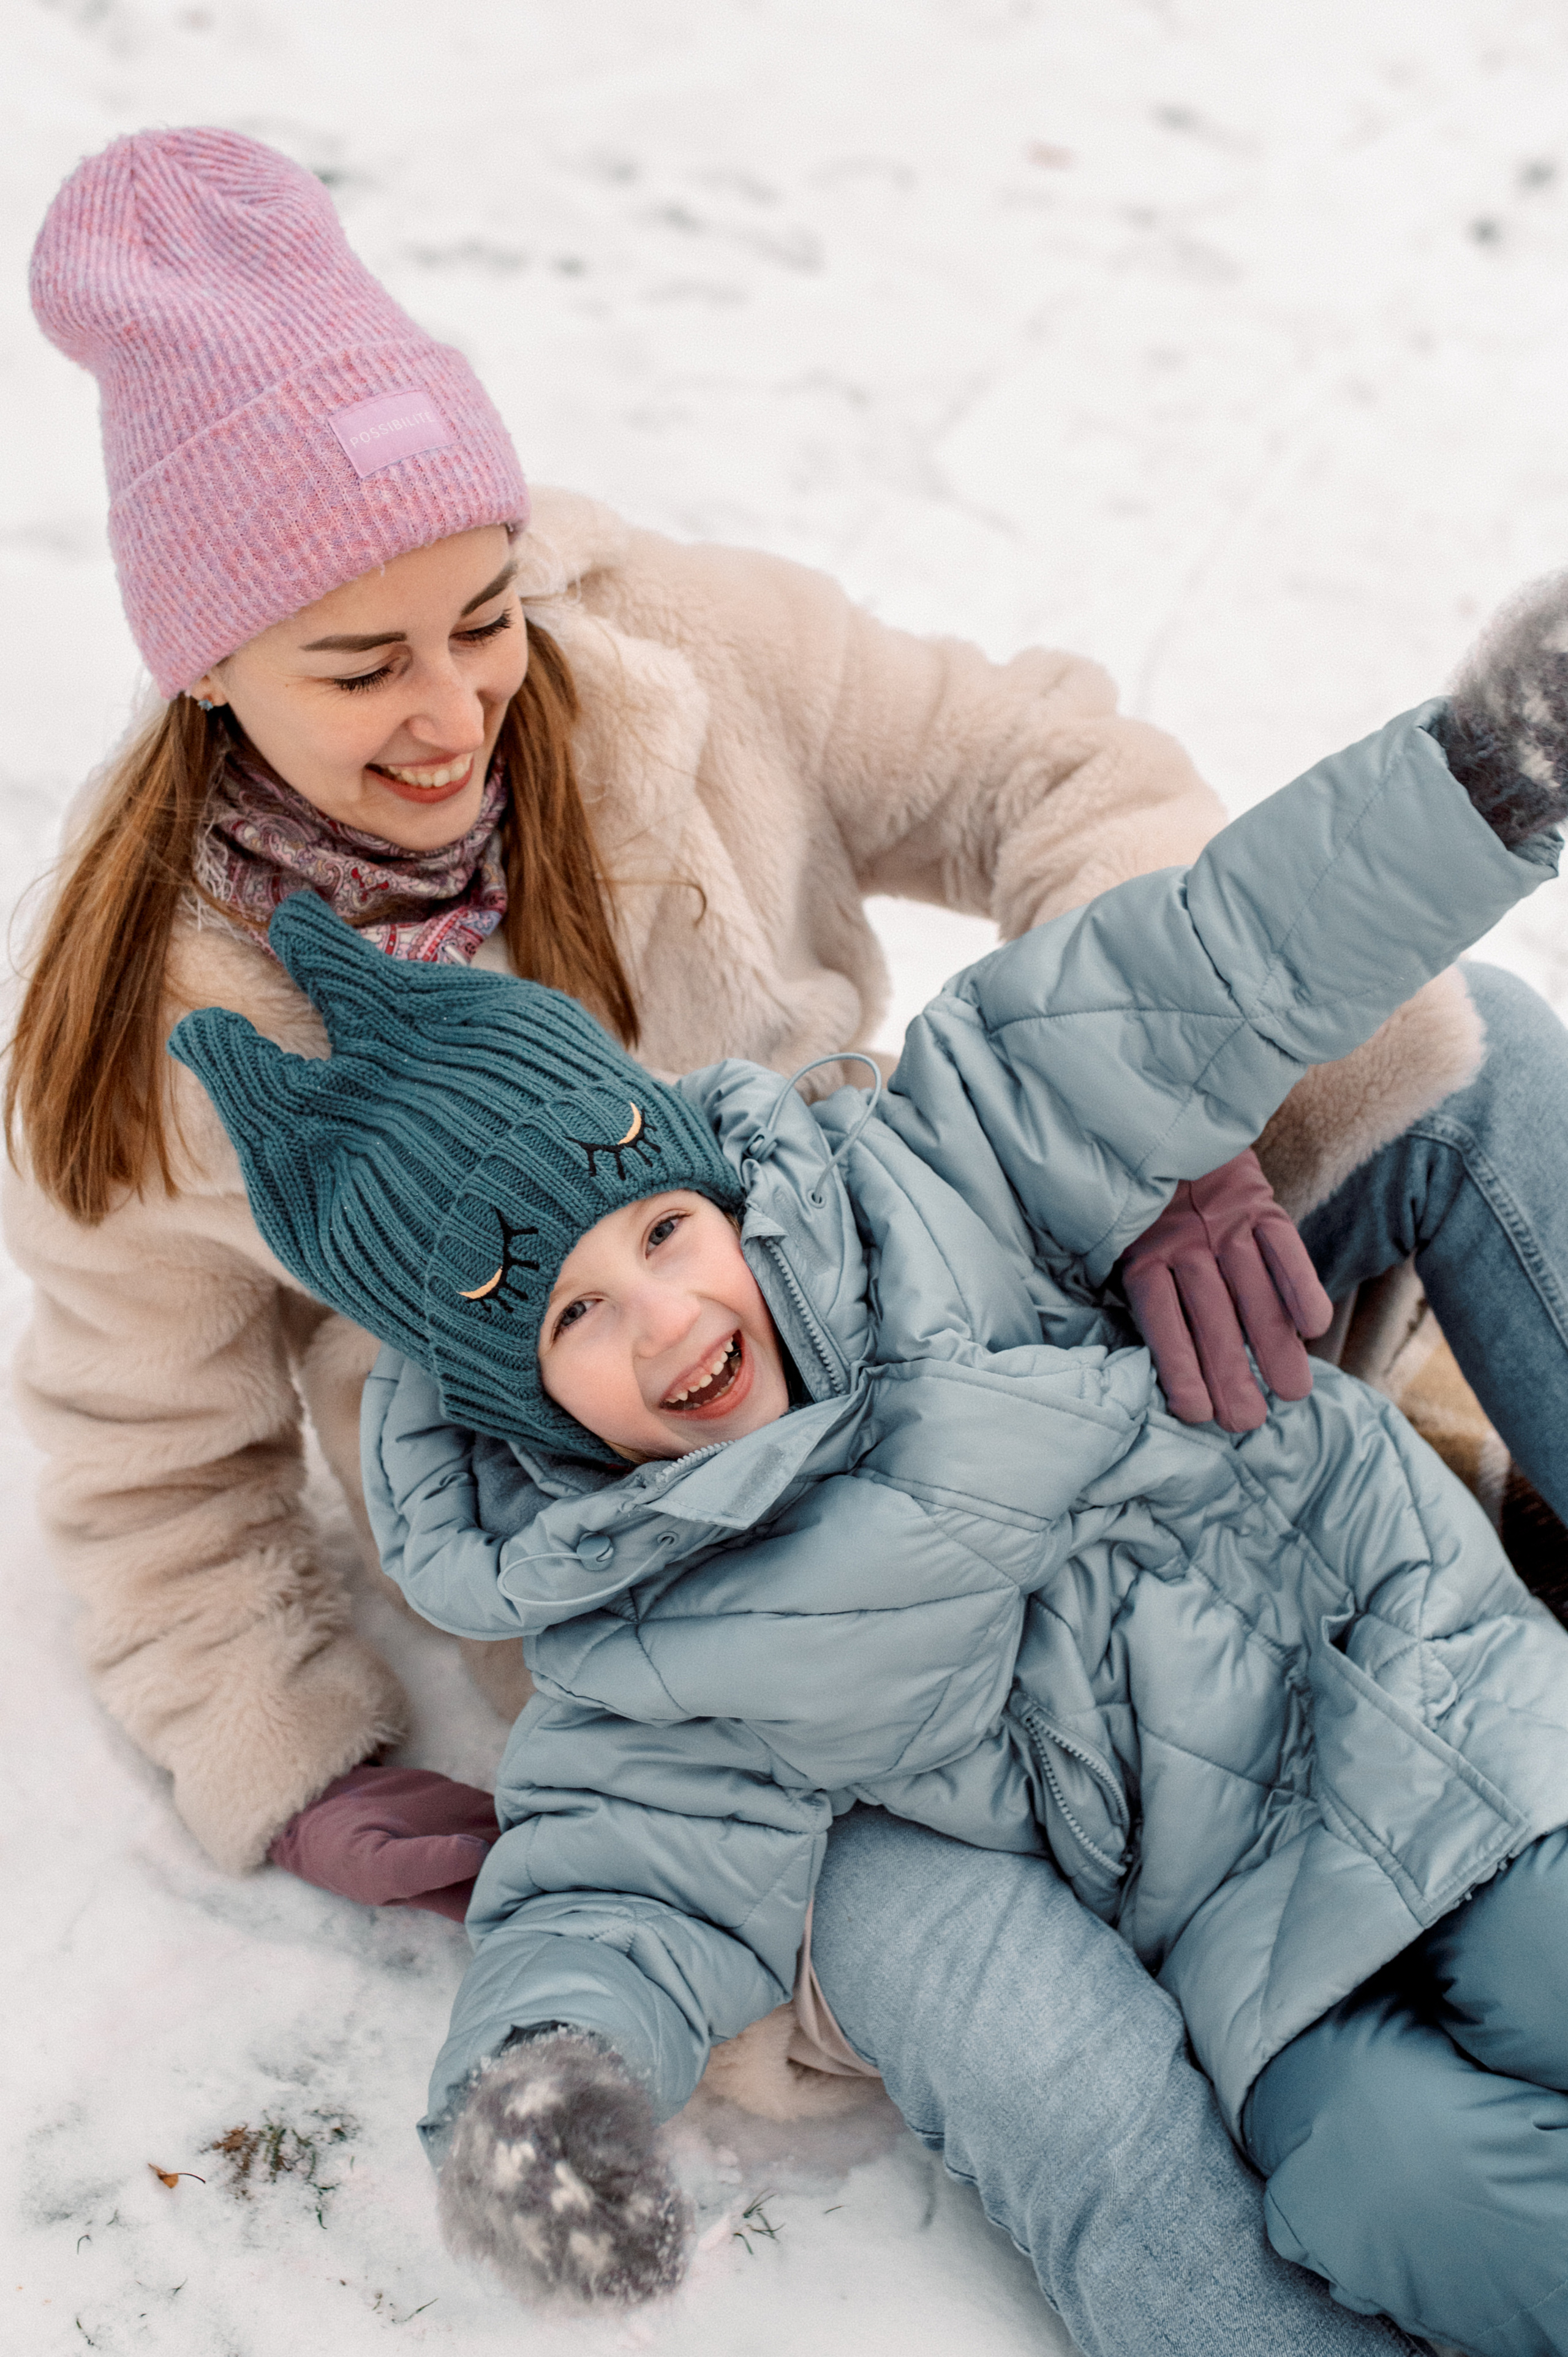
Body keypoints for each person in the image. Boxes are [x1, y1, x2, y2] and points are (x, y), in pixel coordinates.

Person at [1, 123, 1541, 2357]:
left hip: (981, 1292)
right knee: (1078, 2077)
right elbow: (152, 1462)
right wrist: (288, 1759)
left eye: (481, 616)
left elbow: (1050, 788)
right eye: (359, 665)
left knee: (1470, 1051)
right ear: (206, 665)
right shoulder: (144, 1029)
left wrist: (1195, 1137)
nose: (451, 711)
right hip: (741, 1639)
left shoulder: (661, 661)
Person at [172, 602, 1568, 2353]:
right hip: (1256, 1947)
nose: (669, 1316)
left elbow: (1211, 961)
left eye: (664, 1230)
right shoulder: (638, 1641)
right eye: (575, 1317)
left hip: (1430, 1701)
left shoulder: (939, 1168)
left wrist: (1475, 780)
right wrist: (548, 2091)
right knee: (1387, 2183)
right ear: (514, 1400)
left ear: (708, 1176)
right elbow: (615, 1893)